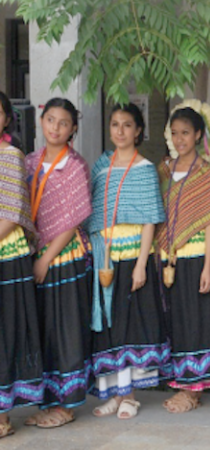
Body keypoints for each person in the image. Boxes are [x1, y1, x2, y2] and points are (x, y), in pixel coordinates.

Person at [88, 104, 167, 420]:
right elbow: (93, 213)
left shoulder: (145, 169)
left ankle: (130, 396)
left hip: (133, 256)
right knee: (107, 326)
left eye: (127, 125)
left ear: (138, 131)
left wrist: (140, 265)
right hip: (103, 257)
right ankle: (112, 392)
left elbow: (150, 220)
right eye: (115, 124)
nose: (120, 131)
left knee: (130, 325)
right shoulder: (101, 167)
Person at [156, 106, 210, 413]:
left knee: (196, 322)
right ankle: (179, 381)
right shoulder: (163, 170)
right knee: (176, 321)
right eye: (174, 133)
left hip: (198, 256)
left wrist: (207, 268)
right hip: (168, 259)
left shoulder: (206, 173)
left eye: (186, 133)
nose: (179, 139)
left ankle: (193, 389)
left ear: (199, 135)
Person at [24, 98, 92, 429]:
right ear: (42, 121)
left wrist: (46, 259)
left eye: (63, 122)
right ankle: (49, 399)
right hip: (36, 253)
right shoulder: (30, 161)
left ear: (73, 129)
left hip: (63, 257)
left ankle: (66, 405)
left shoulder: (75, 166)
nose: (55, 127)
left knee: (65, 328)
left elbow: (72, 221)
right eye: (50, 120)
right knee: (45, 328)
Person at [0, 91, 43, 439]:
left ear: (6, 118)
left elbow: (13, 213)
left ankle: (2, 414)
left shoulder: (11, 155)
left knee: (6, 332)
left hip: (6, 254)